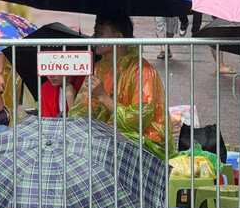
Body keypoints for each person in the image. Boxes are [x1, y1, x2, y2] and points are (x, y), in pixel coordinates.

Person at [68, 12, 173, 161]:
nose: (93, 38)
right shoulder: (98, 69)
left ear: (118, 37)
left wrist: (103, 97)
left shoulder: (143, 72)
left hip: (144, 145)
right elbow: (82, 114)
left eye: (99, 33)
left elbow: (137, 121)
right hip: (106, 140)